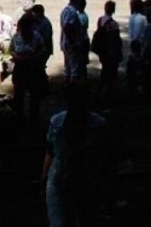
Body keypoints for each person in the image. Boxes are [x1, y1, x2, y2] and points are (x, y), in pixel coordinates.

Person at [42, 85, 110, 227]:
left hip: (74, 176)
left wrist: (44, 177)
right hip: (71, 176)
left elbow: (50, 152)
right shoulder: (96, 124)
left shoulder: (58, 123)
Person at [12, 12, 45, 123]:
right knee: (18, 94)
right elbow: (11, 50)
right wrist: (16, 57)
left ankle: (34, 118)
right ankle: (19, 117)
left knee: (34, 96)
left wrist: (32, 57)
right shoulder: (16, 37)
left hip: (33, 69)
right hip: (20, 69)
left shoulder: (37, 36)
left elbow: (42, 50)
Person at [92, 1, 123, 101]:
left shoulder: (100, 20)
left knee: (104, 71)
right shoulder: (114, 24)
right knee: (111, 74)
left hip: (102, 50)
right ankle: (108, 94)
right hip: (111, 52)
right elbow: (116, 40)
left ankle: (100, 93)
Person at [60, 0, 87, 82]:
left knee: (67, 68)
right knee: (75, 69)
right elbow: (68, 26)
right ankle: (73, 87)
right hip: (71, 44)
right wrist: (73, 42)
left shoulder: (65, 10)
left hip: (65, 42)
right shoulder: (72, 12)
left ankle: (67, 85)